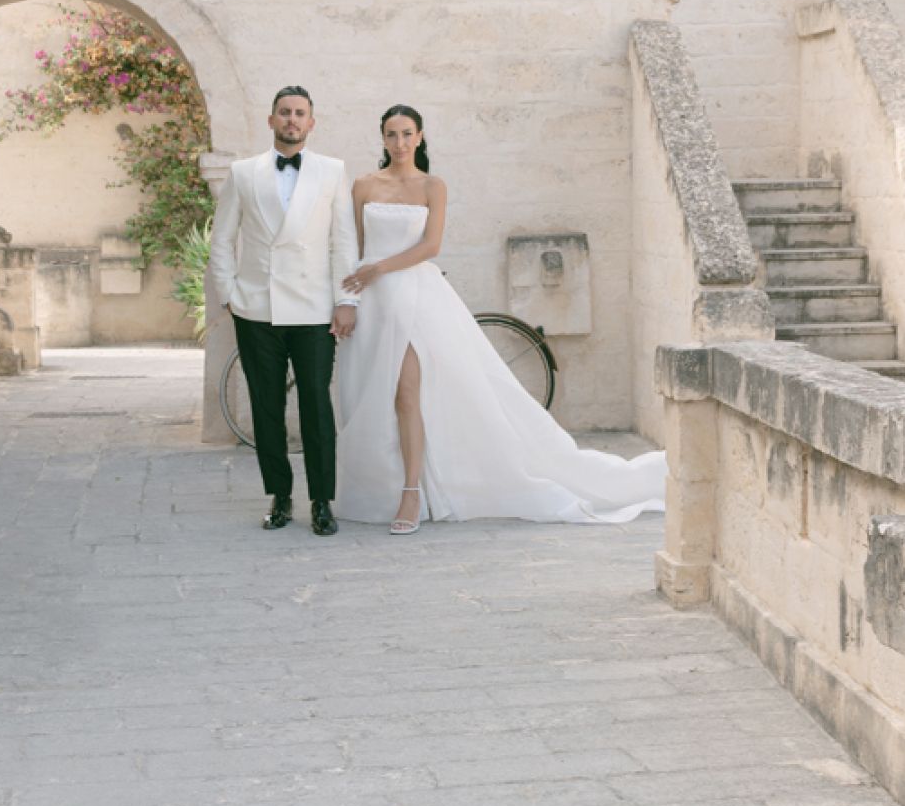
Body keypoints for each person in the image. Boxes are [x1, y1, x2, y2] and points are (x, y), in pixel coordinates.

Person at [334, 105, 666, 531]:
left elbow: (431, 246)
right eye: (391, 135)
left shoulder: (432, 186)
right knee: (370, 393)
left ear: (419, 137)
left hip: (414, 296)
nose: (399, 143)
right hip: (372, 301)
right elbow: (352, 249)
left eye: (406, 134)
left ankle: (412, 493)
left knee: (406, 392)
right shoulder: (363, 185)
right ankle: (374, 488)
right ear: (382, 139)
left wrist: (380, 267)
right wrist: (349, 298)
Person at [208, 84, 357, 535]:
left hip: (313, 311)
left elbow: (343, 241)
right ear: (271, 120)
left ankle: (322, 500)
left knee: (317, 407)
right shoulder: (243, 172)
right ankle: (280, 495)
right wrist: (230, 295)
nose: (292, 120)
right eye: (284, 112)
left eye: (300, 113)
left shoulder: (332, 172)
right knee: (266, 407)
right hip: (257, 309)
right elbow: (222, 239)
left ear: (311, 123)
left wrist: (346, 300)